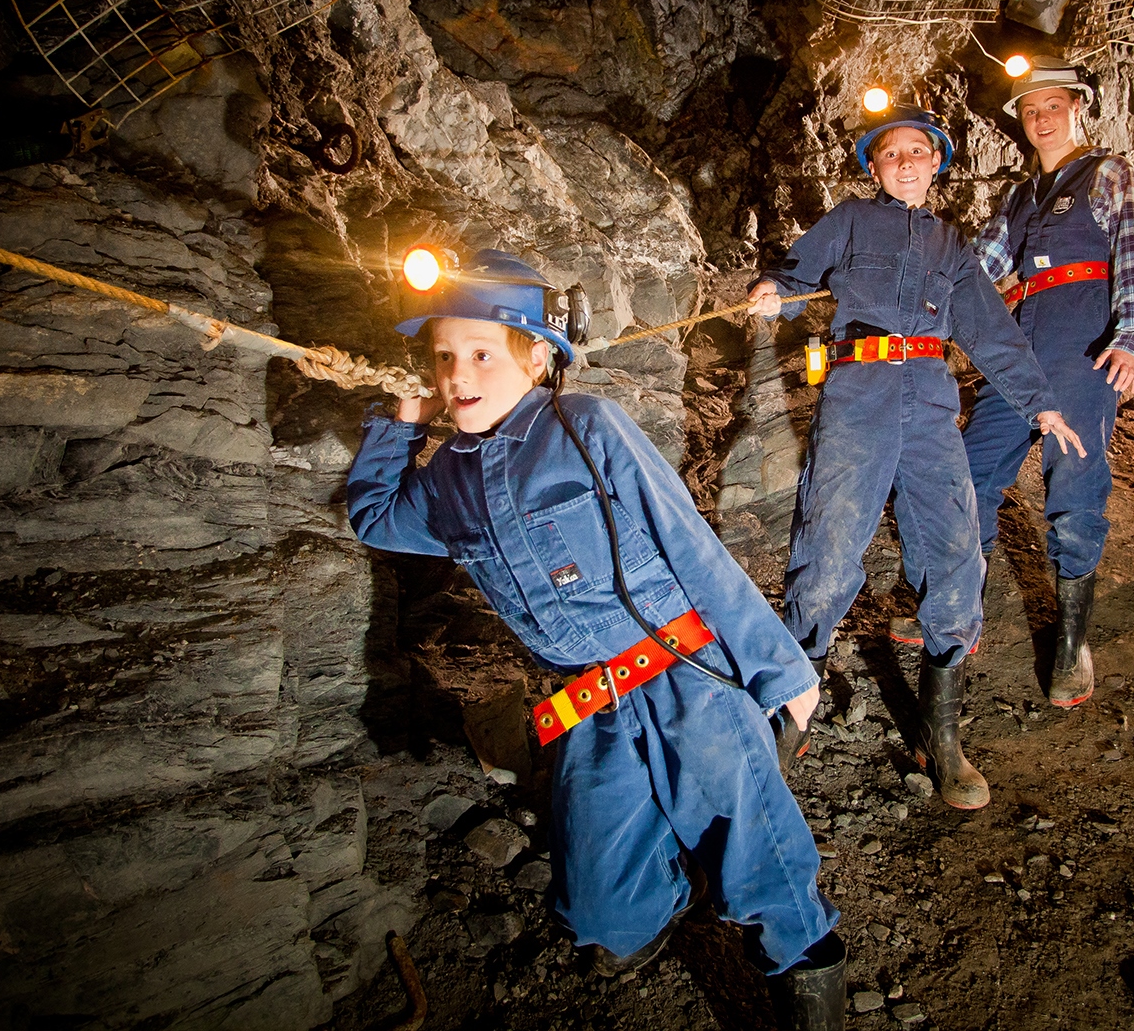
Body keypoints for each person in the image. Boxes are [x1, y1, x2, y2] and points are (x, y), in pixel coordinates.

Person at [347, 250, 845, 1027]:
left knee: (761, 863)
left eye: (482, 353)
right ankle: (676, 870)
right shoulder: (447, 478)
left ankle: (803, 973)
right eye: (444, 356)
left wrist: (781, 670)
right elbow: (377, 517)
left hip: (688, 672)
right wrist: (395, 422)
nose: (457, 375)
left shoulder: (584, 428)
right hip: (590, 705)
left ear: (537, 354)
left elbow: (692, 547)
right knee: (602, 918)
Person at [748, 106, 1086, 810]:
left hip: (930, 398)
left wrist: (1040, 403)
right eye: (890, 154)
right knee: (830, 542)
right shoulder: (849, 221)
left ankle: (942, 733)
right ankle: (790, 716)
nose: (904, 163)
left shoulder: (953, 248)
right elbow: (792, 270)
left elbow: (992, 332)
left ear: (937, 164)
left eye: (917, 152)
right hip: (858, 391)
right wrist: (770, 293)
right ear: (874, 168)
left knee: (954, 543)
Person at [958, 57, 1134, 711]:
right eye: (1029, 109)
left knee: (1072, 482)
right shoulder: (1019, 197)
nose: (1041, 117)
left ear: (1078, 108)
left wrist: (1130, 340)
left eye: (1053, 105)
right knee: (971, 470)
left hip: (1084, 341)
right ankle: (961, 609)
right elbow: (980, 268)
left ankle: (1072, 639)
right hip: (1022, 342)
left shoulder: (1110, 175)